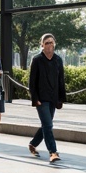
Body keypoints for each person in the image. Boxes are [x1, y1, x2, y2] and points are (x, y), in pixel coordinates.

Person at [28, 33, 66, 163]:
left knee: (46, 124)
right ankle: (53, 152)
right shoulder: (37, 59)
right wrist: (35, 98)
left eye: (51, 42)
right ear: (42, 45)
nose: (49, 45)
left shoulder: (58, 60)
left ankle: (33, 144)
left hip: (53, 97)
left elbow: (61, 80)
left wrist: (61, 98)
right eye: (46, 43)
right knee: (48, 125)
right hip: (41, 98)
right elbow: (32, 81)